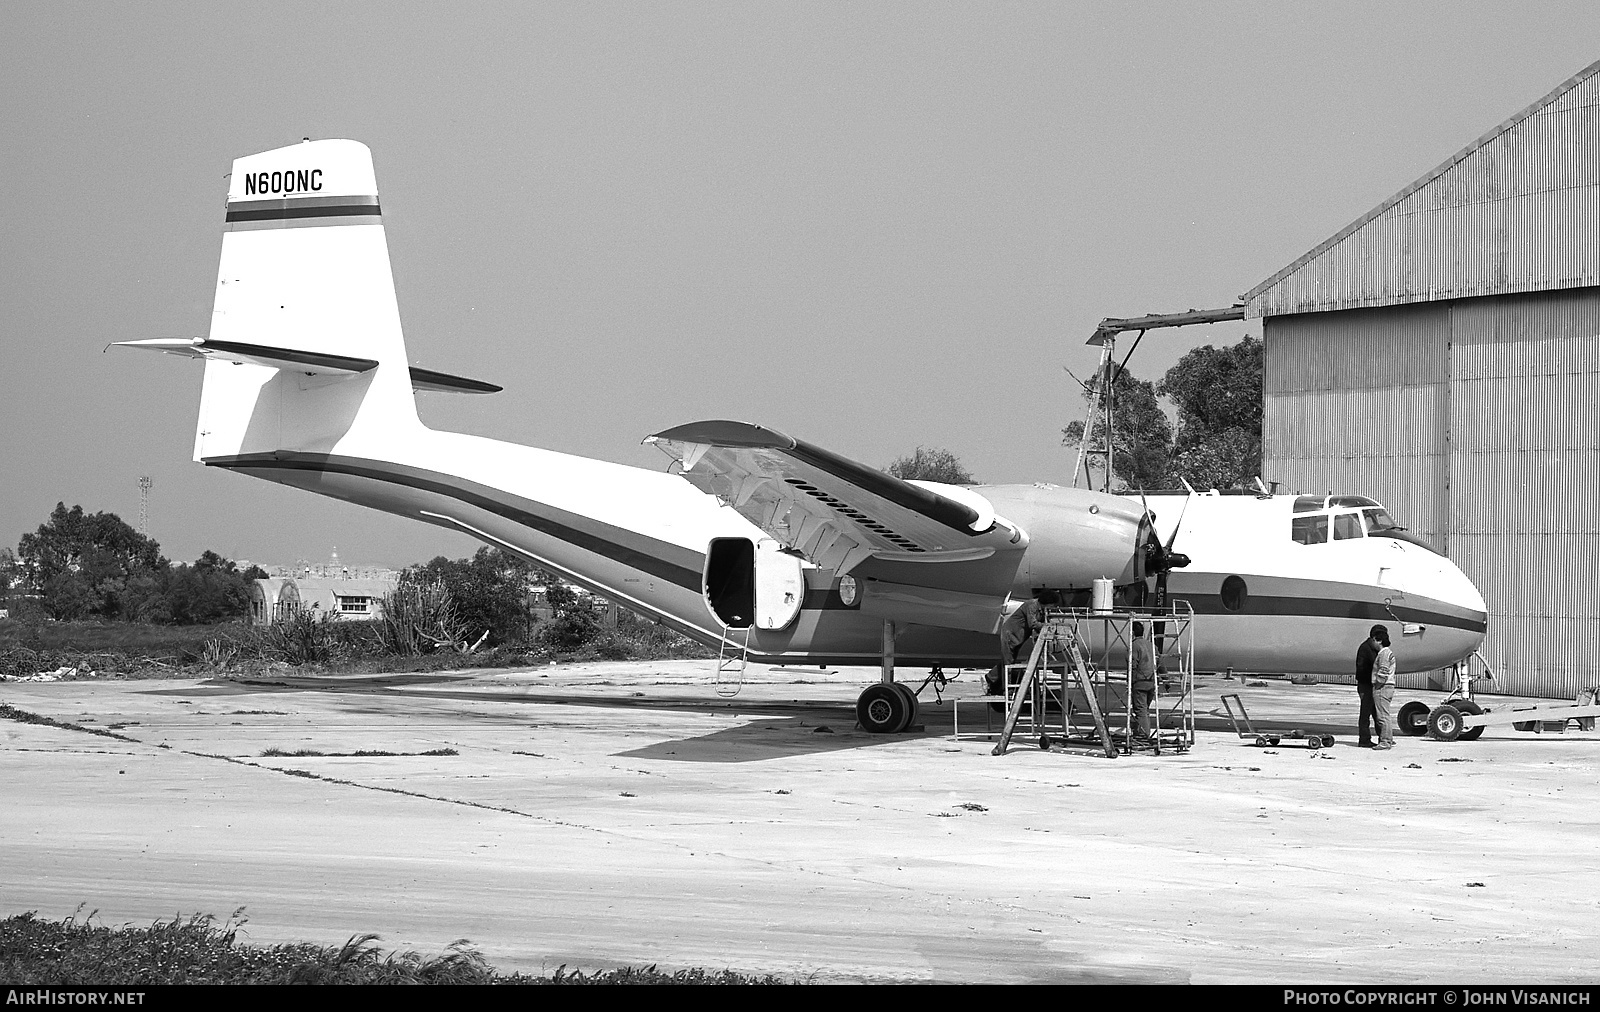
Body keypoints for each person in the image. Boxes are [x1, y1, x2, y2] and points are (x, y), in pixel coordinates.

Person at [1354, 624, 1385, 747]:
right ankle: (1364, 739)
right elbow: (1366, 668)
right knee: (1365, 713)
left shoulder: (1371, 648)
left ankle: (1382, 737)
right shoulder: (1366, 649)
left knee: (1376, 712)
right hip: (1366, 685)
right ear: (1374, 638)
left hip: (1370, 685)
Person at [1130, 621, 1156, 741]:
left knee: (1140, 711)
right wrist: (1166, 679)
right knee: (1144, 710)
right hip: (1151, 682)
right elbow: (1160, 663)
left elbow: (1132, 665)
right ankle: (1140, 731)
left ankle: (1143, 735)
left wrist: (1131, 682)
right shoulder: (1151, 645)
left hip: (1140, 683)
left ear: (1132, 632)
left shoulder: (1134, 646)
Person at [1372, 627, 1398, 749]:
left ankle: (1385, 741)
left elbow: (1383, 671)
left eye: (1374, 640)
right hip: (1388, 686)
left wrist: (1377, 684)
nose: (1373, 643)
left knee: (1382, 716)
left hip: (1383, 687)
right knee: (1385, 714)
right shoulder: (1388, 653)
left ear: (1379, 641)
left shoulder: (1384, 654)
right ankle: (1388, 739)